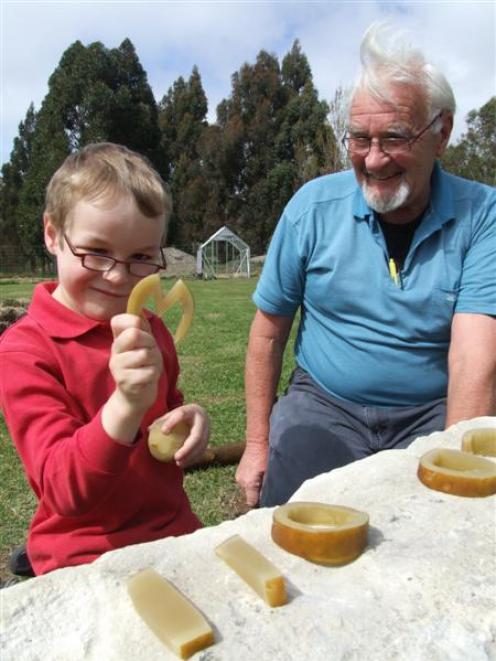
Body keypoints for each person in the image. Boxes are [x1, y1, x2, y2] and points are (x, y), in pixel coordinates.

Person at [236, 23, 496, 508]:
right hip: (323, 401)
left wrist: (455, 481)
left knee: (428, 536)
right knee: (291, 522)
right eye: (359, 138)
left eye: (394, 137)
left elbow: (474, 360)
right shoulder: (311, 208)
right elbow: (268, 333)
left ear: (441, 133)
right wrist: (255, 447)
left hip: (430, 412)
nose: (373, 161)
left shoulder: (484, 215)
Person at [0, 143, 209, 575]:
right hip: (82, 553)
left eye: (140, 258)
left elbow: (163, 416)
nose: (117, 276)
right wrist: (126, 404)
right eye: (95, 251)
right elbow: (64, 491)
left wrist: (186, 422)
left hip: (172, 529)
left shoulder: (152, 329)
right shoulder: (25, 351)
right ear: (53, 235)